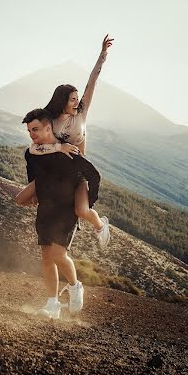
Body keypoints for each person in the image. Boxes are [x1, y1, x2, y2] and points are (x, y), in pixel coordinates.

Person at [26, 34, 113, 248]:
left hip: (77, 171)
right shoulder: (49, 120)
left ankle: (100, 226)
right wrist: (58, 147)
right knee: (25, 200)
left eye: (77, 98)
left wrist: (102, 55)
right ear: (62, 101)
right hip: (53, 172)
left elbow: (92, 81)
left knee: (82, 210)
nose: (76, 102)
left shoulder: (81, 113)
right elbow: (34, 148)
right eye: (72, 99)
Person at [16, 108, 101, 319]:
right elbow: (32, 174)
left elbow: (93, 174)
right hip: (46, 209)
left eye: (35, 129)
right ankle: (52, 304)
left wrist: (87, 203)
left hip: (65, 211)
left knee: (57, 255)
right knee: (46, 258)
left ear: (48, 127)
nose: (32, 134)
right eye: (29, 131)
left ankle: (75, 285)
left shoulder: (67, 151)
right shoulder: (32, 153)